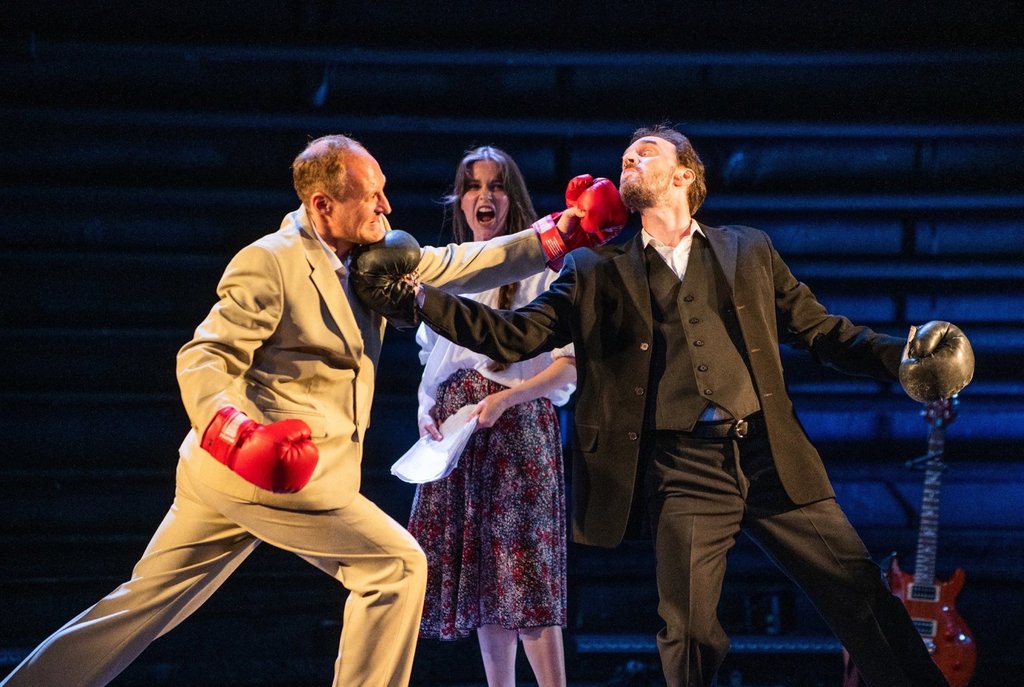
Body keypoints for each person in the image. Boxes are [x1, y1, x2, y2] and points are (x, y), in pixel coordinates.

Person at [356, 124, 975, 687]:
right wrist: (420, 298)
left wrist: (903, 359)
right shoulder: (596, 269)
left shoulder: (748, 250)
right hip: (684, 469)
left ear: (684, 174)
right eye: (625, 156)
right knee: (689, 634)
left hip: (769, 454)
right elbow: (514, 335)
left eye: (645, 153)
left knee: (862, 597)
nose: (628, 159)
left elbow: (824, 332)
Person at [0, 134, 626, 687]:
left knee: (142, 603)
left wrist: (563, 231)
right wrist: (236, 434)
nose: (386, 207)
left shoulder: (376, 259)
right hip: (264, 468)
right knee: (398, 568)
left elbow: (469, 262)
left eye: (384, 191)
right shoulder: (270, 261)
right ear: (324, 205)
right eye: (371, 196)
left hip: (241, 478)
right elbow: (204, 357)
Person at [410, 146, 577, 687]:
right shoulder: (445, 269)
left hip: (517, 431)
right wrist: (425, 413)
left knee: (525, 577)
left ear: (513, 198)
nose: (485, 196)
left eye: (497, 186)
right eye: (474, 186)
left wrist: (507, 399)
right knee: (486, 580)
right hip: (459, 435)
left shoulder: (542, 268)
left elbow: (569, 368)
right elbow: (433, 364)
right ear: (460, 201)